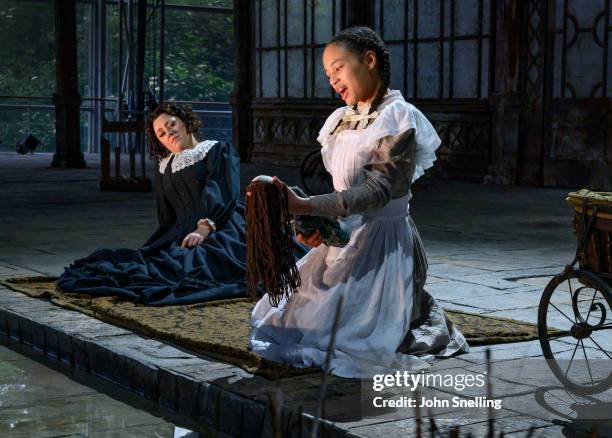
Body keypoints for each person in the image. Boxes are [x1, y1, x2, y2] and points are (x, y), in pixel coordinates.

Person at [248, 26, 469, 378]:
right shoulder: (342, 119)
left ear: (369, 60)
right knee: (283, 320)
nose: (332, 79)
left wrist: (305, 206)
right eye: (327, 74)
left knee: (344, 339)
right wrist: (313, 223)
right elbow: (341, 188)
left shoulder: (398, 116)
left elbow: (375, 192)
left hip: (384, 243)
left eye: (338, 68)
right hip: (344, 239)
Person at [57, 102, 248, 305]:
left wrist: (203, 228)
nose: (169, 133)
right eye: (161, 133)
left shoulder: (216, 149)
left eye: (171, 124)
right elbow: (167, 217)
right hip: (181, 233)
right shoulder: (165, 165)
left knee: (191, 269)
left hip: (221, 225)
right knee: (147, 266)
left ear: (185, 121)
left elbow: (221, 191)